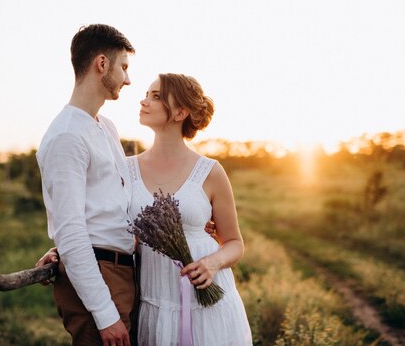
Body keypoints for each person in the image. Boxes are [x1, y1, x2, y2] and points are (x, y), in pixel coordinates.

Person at [126, 73, 253, 345]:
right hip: (157, 304)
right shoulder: (126, 170)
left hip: (209, 305)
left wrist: (212, 263)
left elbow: (234, 242)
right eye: (147, 94)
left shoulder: (210, 172)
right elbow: (106, 227)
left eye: (156, 96)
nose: (144, 101)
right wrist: (61, 251)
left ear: (180, 112)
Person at [35, 24, 137, 346]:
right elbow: (72, 230)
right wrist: (105, 315)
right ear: (102, 64)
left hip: (121, 272)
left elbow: (118, 202)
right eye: (124, 67)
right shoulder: (67, 136)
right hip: (100, 278)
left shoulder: (105, 126)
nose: (128, 79)